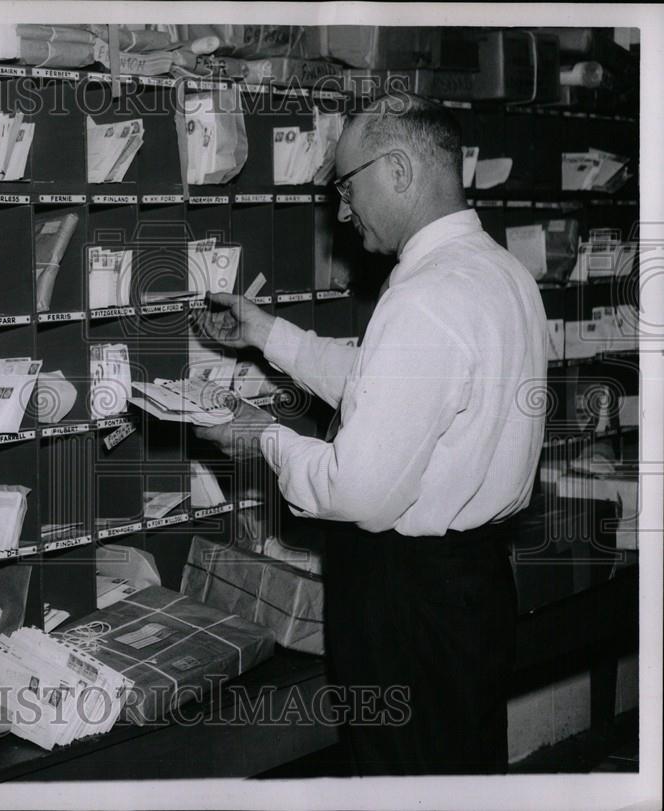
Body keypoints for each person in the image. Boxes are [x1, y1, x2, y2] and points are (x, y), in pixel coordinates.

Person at [191, 93, 548, 775]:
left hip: (407, 603)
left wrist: (260, 435)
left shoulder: (425, 298)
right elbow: (394, 388)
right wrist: (268, 333)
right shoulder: (498, 273)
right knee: (461, 768)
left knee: (399, 775)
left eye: (347, 186)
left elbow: (359, 490)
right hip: (472, 588)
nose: (344, 211)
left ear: (400, 170)